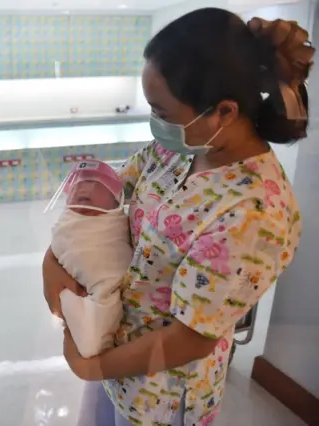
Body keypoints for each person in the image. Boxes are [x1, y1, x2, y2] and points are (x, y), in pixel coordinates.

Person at [42, 9, 312, 426]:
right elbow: (105, 194)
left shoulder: (254, 213)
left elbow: (191, 338)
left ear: (223, 111)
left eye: (163, 113)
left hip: (160, 398)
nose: (155, 124)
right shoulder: (179, 150)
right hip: (117, 362)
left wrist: (92, 368)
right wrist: (53, 262)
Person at [45, 160, 132, 359]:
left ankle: (94, 329)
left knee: (104, 298)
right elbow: (62, 236)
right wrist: (50, 264)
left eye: (97, 185)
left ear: (115, 202)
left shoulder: (113, 224)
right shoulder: (69, 223)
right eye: (78, 184)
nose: (85, 187)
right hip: (116, 376)